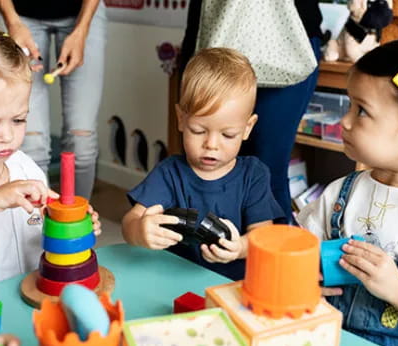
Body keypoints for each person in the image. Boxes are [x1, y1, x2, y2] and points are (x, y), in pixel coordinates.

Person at [297, 35, 398, 346]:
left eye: (362, 111)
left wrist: (397, 289)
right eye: (350, 104)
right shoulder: (343, 192)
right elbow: (301, 250)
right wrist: (305, 275)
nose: (346, 121)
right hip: (330, 343)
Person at [122, 48, 285, 280]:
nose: (211, 144)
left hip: (232, 288)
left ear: (247, 128)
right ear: (181, 119)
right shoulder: (170, 172)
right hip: (173, 282)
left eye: (228, 135)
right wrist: (139, 231)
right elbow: (130, 220)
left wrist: (240, 247)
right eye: (198, 130)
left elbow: (264, 236)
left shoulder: (254, 175)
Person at [0, 22, 101, 284]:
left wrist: (72, 224)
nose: (7, 135)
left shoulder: (25, 166)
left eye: (18, 120)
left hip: (30, 292)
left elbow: (42, 227)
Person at [179, 0, 323, 224]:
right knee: (203, 168)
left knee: (267, 171)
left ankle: (270, 255)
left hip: (287, 39)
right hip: (214, 29)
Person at [0, 0, 107, 199]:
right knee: (31, 144)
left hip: (83, 11)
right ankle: (37, 224)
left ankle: (78, 222)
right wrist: (12, 22)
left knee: (82, 143)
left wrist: (82, 30)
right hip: (16, 13)